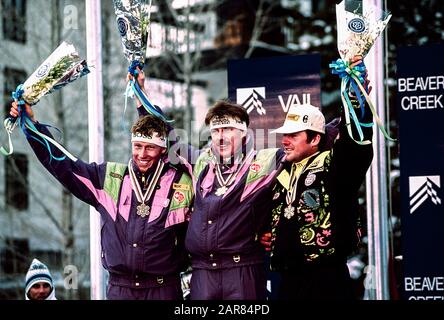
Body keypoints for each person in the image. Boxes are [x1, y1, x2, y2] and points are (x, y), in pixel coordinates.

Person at [10, 102, 194, 300]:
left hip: (164, 288)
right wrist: (33, 126)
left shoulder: (182, 181)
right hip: (120, 289)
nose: (142, 154)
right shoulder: (109, 178)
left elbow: (187, 154)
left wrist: (143, 103)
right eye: (138, 146)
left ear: (163, 150)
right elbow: (64, 165)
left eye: (150, 148)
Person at [129, 70, 285, 300]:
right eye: (216, 131)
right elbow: (169, 136)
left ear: (243, 134)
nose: (221, 137)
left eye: (228, 130)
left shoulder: (264, 161)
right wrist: (140, 96)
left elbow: (310, 146)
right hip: (202, 273)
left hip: (241, 269)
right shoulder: (200, 162)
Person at [265, 55, 373, 300]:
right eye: (284, 134)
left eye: (293, 135)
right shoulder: (281, 171)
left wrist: (356, 97)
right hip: (289, 279)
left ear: (315, 139)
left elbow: (355, 145)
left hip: (327, 278)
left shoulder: (334, 166)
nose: (285, 140)